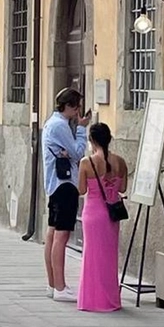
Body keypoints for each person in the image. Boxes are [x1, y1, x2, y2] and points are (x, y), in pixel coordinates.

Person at [43, 87, 91, 303]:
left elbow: (68, 151)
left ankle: (54, 284)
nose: (78, 111)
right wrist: (81, 129)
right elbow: (78, 153)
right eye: (77, 107)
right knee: (60, 235)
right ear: (70, 106)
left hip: (55, 184)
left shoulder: (52, 124)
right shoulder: (61, 126)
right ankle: (60, 286)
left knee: (53, 234)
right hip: (64, 185)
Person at [77, 123, 128, 312]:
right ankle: (110, 299)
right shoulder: (121, 162)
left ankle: (92, 300)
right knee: (109, 257)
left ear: (92, 140)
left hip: (93, 213)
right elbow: (123, 188)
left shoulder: (86, 162)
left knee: (91, 256)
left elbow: (82, 190)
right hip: (111, 215)